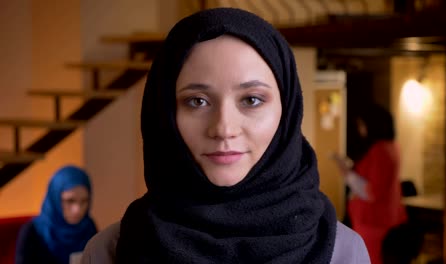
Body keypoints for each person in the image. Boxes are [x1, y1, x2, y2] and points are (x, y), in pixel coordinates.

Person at [81, 7, 370, 263]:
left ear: (287, 110)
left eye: (252, 100)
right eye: (197, 101)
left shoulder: (342, 252)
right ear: (165, 114)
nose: (223, 128)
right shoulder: (109, 252)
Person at [332, 103, 407, 264]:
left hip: (373, 220)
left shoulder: (379, 150)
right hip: (384, 217)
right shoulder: (393, 146)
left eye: (361, 124)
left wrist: (347, 174)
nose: (360, 128)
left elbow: (372, 191)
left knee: (370, 258)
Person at [15, 165, 97, 264]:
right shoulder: (32, 232)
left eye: (84, 201)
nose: (77, 210)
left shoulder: (89, 227)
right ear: (55, 199)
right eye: (70, 201)